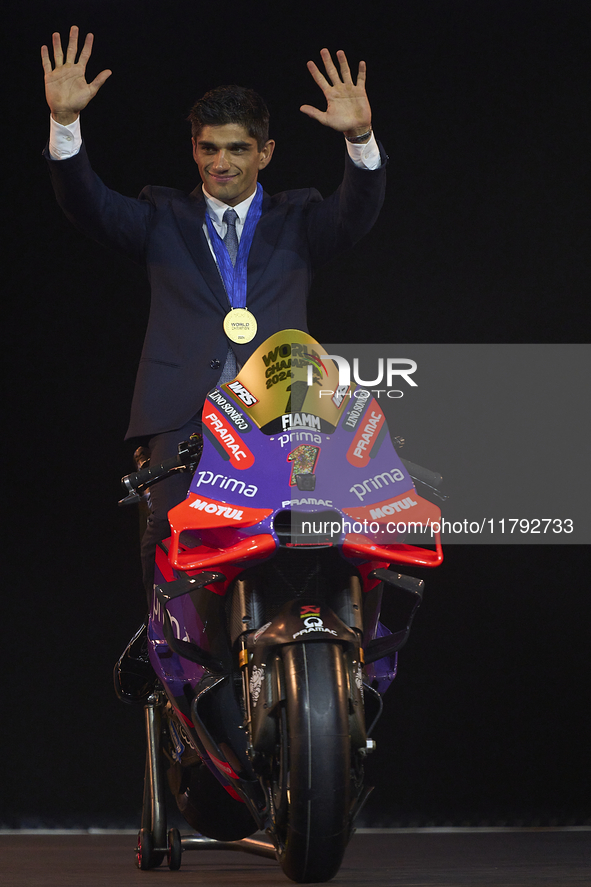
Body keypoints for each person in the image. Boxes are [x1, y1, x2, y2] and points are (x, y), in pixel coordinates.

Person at [41, 26, 387, 699]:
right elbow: (84, 203)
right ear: (193, 151)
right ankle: (170, 667)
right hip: (182, 421)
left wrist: (359, 142)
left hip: (285, 418)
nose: (219, 162)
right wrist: (64, 124)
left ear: (265, 152)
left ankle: (342, 676)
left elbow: (359, 210)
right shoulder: (160, 218)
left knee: (333, 544)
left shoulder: (300, 220)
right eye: (207, 149)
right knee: (167, 549)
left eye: (235, 149)